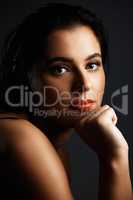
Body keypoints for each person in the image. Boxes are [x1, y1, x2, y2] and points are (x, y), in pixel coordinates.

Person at [0, 3, 132, 200]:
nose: (84, 84)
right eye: (60, 69)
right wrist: (114, 158)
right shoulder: (22, 138)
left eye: (92, 65)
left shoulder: (54, 145)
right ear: (26, 76)